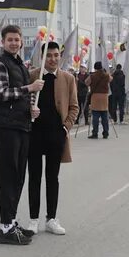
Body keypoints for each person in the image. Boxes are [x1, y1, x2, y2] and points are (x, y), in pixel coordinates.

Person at [0, 24, 43, 246]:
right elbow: (2, 93)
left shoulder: (20, 65)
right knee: (9, 177)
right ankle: (5, 227)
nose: (13, 43)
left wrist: (31, 108)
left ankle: (11, 221)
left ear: (21, 42)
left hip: (21, 125)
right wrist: (29, 89)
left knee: (19, 176)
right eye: (9, 39)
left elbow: (21, 95)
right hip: (5, 127)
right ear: (3, 41)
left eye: (16, 39)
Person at [25, 41, 79, 236]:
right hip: (34, 135)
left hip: (56, 135)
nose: (53, 59)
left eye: (56, 55)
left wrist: (66, 127)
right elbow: (23, 100)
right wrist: (29, 110)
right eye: (49, 55)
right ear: (42, 57)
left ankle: (51, 218)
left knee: (52, 178)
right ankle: (33, 219)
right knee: (34, 177)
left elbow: (74, 107)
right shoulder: (32, 76)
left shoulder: (68, 78)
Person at [86, 61, 111, 139]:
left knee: (95, 116)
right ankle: (106, 132)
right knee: (105, 116)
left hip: (95, 97)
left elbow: (86, 82)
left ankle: (95, 133)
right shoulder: (106, 75)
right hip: (104, 97)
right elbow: (111, 79)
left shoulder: (92, 76)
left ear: (95, 67)